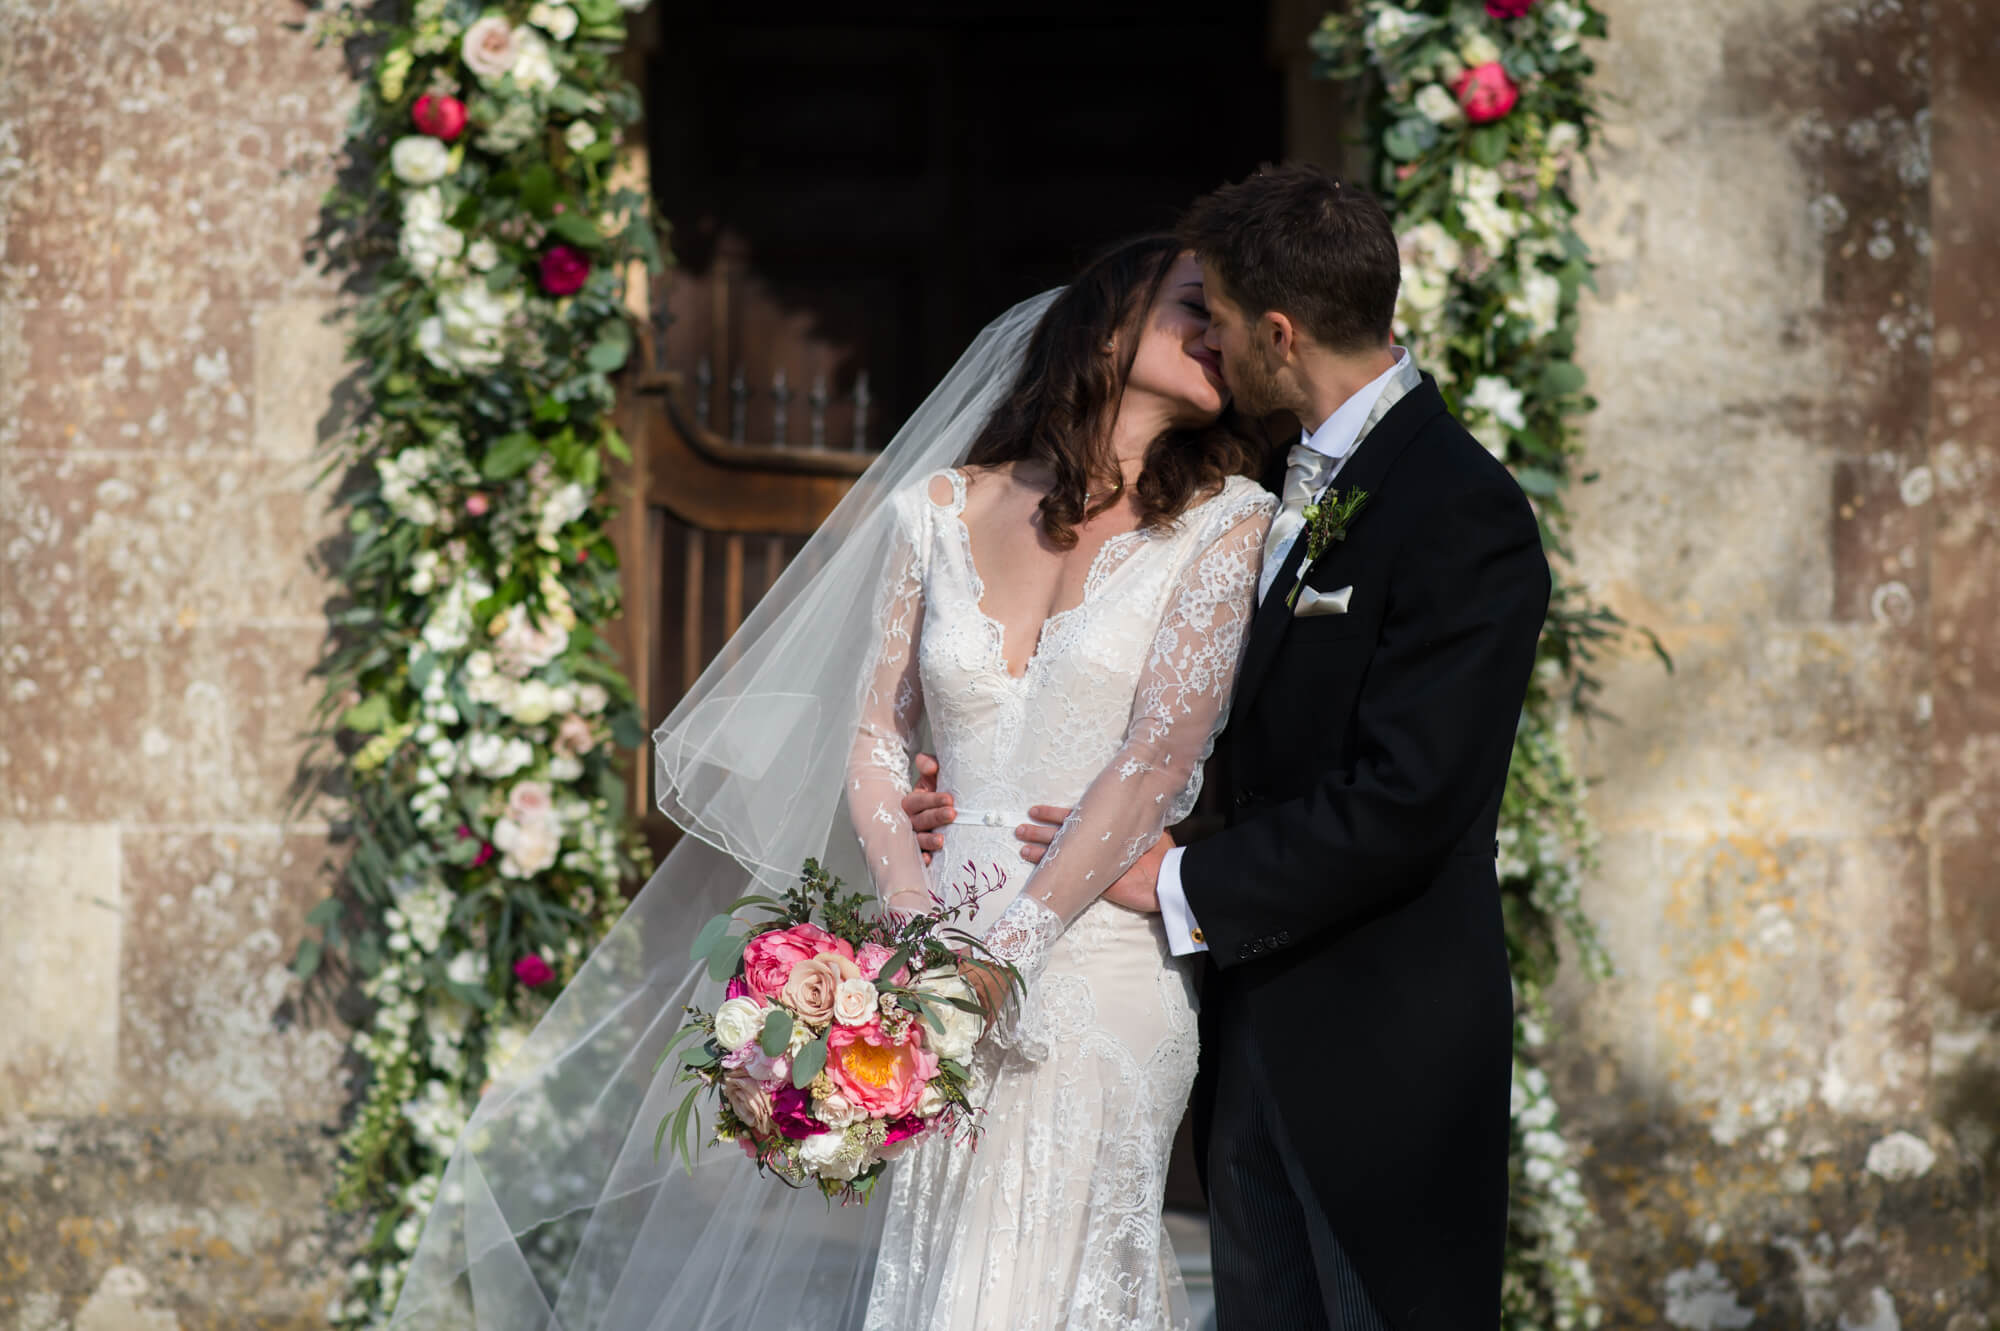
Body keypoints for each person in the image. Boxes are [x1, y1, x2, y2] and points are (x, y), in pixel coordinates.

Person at [384, 235, 1272, 1331]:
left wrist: (1006, 955)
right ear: (1107, 327)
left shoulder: (1227, 522)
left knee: (1059, 1273)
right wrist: (910, 920)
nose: (1220, 332)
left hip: (1096, 955)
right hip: (932, 950)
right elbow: (874, 734)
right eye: (1194, 305)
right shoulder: (937, 509)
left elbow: (1156, 758)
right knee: (942, 1270)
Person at [905, 164, 1552, 1329]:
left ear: (1277, 332)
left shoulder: (1460, 506)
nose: (1205, 338)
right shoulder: (1270, 490)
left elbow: (1411, 796)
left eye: (1217, 315)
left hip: (1379, 1052)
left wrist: (1179, 877)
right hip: (1246, 1031)